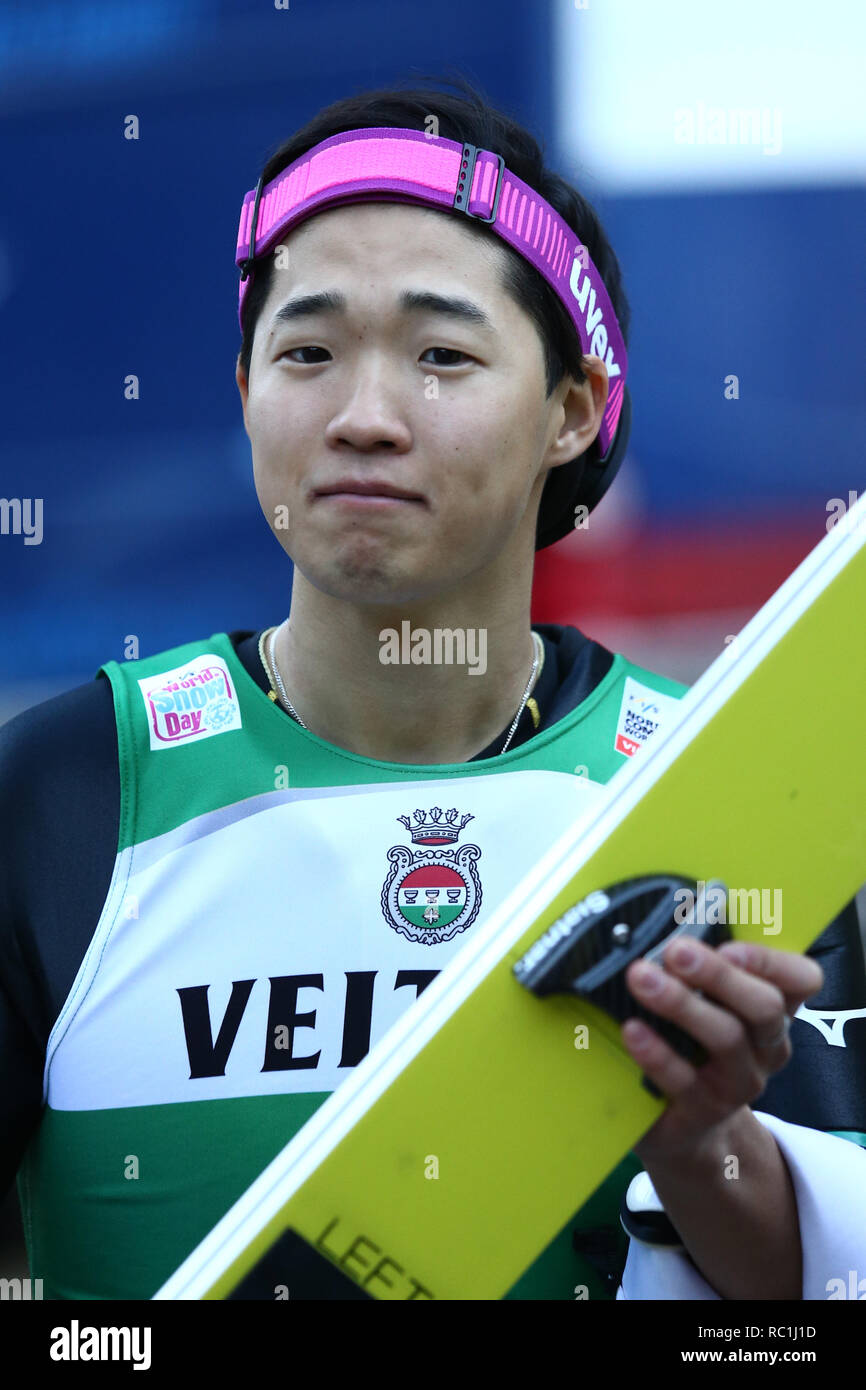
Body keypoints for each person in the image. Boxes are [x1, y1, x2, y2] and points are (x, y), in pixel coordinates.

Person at [1, 78, 864, 1302]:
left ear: (571, 410)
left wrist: (697, 1145)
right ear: (244, 390)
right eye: (304, 351)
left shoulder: (711, 799)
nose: (362, 417)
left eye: (441, 356)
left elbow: (810, 1300)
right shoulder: (69, 788)